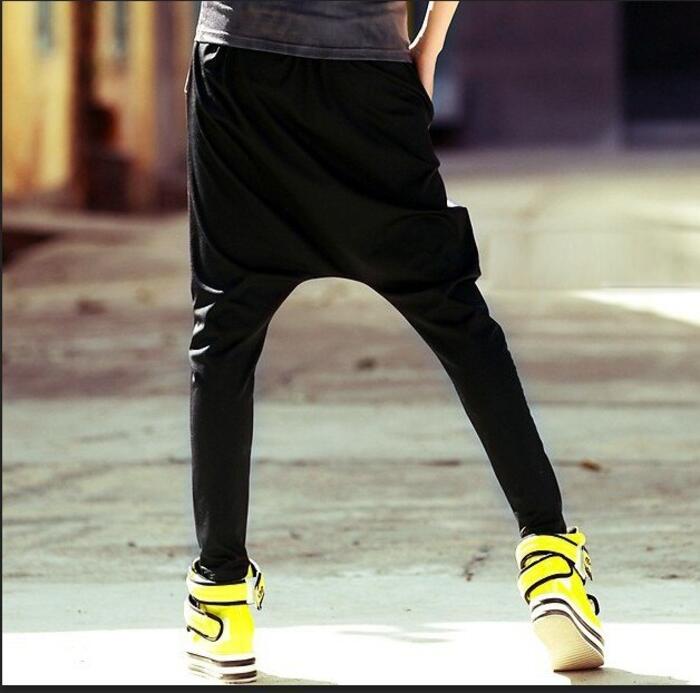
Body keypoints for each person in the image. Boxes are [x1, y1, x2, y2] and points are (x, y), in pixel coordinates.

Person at [183, 1, 603, 683]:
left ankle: (222, 597)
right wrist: (429, 44)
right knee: (457, 318)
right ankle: (551, 559)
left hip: (240, 65)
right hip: (368, 70)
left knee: (226, 328)